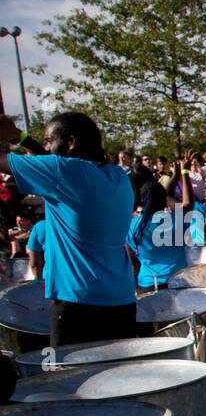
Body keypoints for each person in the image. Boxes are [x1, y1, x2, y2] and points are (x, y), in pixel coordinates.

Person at [0, 111, 137, 345]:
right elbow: (49, 161)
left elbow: (39, 164)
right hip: (121, 302)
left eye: (49, 141)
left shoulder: (61, 173)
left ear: (70, 142)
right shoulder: (116, 175)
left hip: (79, 305)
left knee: (69, 380)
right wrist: (22, 139)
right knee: (117, 377)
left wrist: (5, 135)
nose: (46, 147)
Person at [129, 174, 189, 290]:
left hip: (148, 284)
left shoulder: (132, 225)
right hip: (178, 282)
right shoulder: (178, 219)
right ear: (165, 200)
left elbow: (131, 258)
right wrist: (183, 172)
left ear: (142, 200)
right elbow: (187, 204)